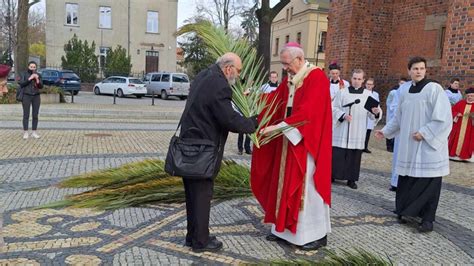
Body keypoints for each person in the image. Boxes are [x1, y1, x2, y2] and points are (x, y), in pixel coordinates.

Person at [251, 42, 332, 251]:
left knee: (307, 187)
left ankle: (315, 234)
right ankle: (282, 229)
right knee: (282, 183)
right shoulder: (290, 79)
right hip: (288, 137)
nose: (285, 68)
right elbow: (276, 100)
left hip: (306, 141)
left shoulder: (316, 77)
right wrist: (253, 101)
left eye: (287, 64)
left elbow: (309, 112)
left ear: (298, 58)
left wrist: (279, 127)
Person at [178, 52, 258, 253]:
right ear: (228, 68)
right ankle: (201, 241)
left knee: (193, 196)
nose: (238, 76)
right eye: (238, 71)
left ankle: (192, 236)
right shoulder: (219, 84)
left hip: (189, 146)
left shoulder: (203, 76)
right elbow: (228, 119)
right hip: (203, 150)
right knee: (203, 196)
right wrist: (253, 123)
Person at [375, 56, 452, 233]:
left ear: (426, 70)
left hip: (428, 146)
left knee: (428, 183)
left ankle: (427, 219)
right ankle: (405, 211)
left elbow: (444, 118)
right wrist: (385, 131)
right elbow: (399, 117)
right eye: (415, 68)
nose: (418, 71)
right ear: (409, 71)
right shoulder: (404, 90)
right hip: (409, 145)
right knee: (408, 179)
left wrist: (425, 132)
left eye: (421, 68)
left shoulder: (434, 89)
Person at [332, 69, 381, 189]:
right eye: (354, 78)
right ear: (351, 78)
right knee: (338, 153)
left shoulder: (367, 95)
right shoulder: (342, 92)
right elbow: (333, 108)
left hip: (358, 130)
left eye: (359, 79)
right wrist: (343, 115)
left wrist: (376, 112)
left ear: (363, 80)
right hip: (342, 128)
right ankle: (333, 175)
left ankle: (351, 179)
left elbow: (373, 114)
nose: (356, 81)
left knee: (354, 156)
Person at [19, 61, 43, 139]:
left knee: (35, 115)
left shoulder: (38, 75)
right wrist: (30, 78)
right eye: (31, 67)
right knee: (26, 114)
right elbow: (22, 84)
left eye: (34, 67)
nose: (32, 68)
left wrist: (37, 80)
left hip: (36, 96)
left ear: (36, 68)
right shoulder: (24, 74)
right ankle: (26, 132)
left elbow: (41, 86)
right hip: (26, 96)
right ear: (28, 67)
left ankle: (34, 132)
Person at [448, 87, 473, 162]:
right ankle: (455, 155)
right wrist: (456, 114)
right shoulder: (461, 103)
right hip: (459, 126)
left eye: (472, 96)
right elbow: (452, 110)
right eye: (468, 96)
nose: (470, 97)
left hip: (471, 128)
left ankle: (467, 156)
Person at [385, 77, 407, 152]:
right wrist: (393, 109)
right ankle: (388, 145)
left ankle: (394, 145)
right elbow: (389, 102)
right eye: (401, 83)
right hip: (391, 113)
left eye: (403, 84)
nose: (402, 85)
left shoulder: (405, 93)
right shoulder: (393, 92)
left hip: (400, 114)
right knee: (390, 127)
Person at [363, 78, 380, 153]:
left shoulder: (375, 94)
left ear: (373, 85)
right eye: (368, 84)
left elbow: (377, 104)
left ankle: (365, 146)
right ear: (365, 84)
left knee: (368, 131)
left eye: (370, 84)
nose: (369, 86)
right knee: (362, 131)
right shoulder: (362, 92)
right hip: (363, 114)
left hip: (371, 114)